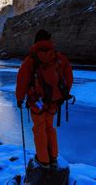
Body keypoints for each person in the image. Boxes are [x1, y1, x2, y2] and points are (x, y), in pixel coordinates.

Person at [15, 29, 73, 169]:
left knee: (39, 128)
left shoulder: (31, 61)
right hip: (53, 101)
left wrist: (19, 99)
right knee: (49, 127)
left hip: (37, 102)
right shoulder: (59, 58)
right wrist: (61, 95)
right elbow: (68, 78)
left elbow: (22, 81)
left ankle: (43, 160)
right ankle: (53, 157)